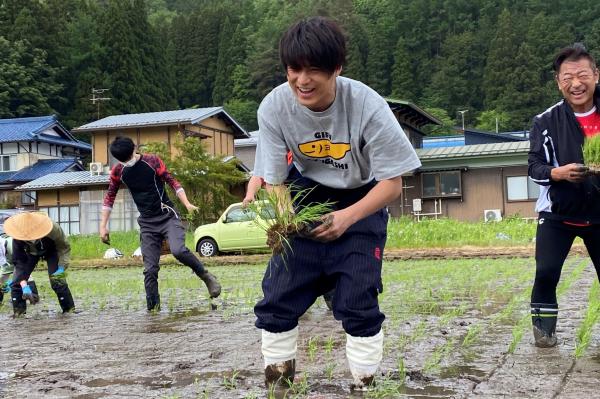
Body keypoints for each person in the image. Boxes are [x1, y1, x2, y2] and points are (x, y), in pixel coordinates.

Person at [252, 17, 421, 389]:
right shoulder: (275, 107)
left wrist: (347, 218)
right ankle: (279, 383)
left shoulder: (367, 105)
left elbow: (392, 184)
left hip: (362, 197)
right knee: (278, 293)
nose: (303, 80)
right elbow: (276, 181)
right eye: (295, 69)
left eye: (315, 70)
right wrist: (284, 224)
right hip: (305, 194)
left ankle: (365, 384)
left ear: (337, 69)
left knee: (358, 299)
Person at [528, 43, 600, 347]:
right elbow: (534, 167)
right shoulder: (545, 121)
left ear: (596, 75)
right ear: (559, 83)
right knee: (545, 272)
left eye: (582, 75)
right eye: (567, 78)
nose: (576, 84)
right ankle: (544, 333)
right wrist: (558, 173)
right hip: (558, 213)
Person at [100, 137, 221, 311]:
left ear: (135, 149)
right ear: (119, 160)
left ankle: (206, 276)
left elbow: (173, 182)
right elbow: (109, 197)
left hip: (167, 216)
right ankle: (153, 312)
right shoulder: (118, 172)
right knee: (149, 270)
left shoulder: (152, 161)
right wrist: (103, 226)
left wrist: (186, 204)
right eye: (123, 160)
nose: (128, 162)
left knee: (178, 250)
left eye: (129, 157)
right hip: (147, 223)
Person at [5, 212, 74, 316]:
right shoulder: (18, 235)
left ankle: (69, 310)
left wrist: (62, 267)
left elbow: (64, 248)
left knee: (58, 280)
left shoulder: (53, 229)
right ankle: (19, 313)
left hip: (52, 251)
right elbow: (19, 261)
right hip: (30, 253)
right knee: (16, 283)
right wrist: (23, 284)